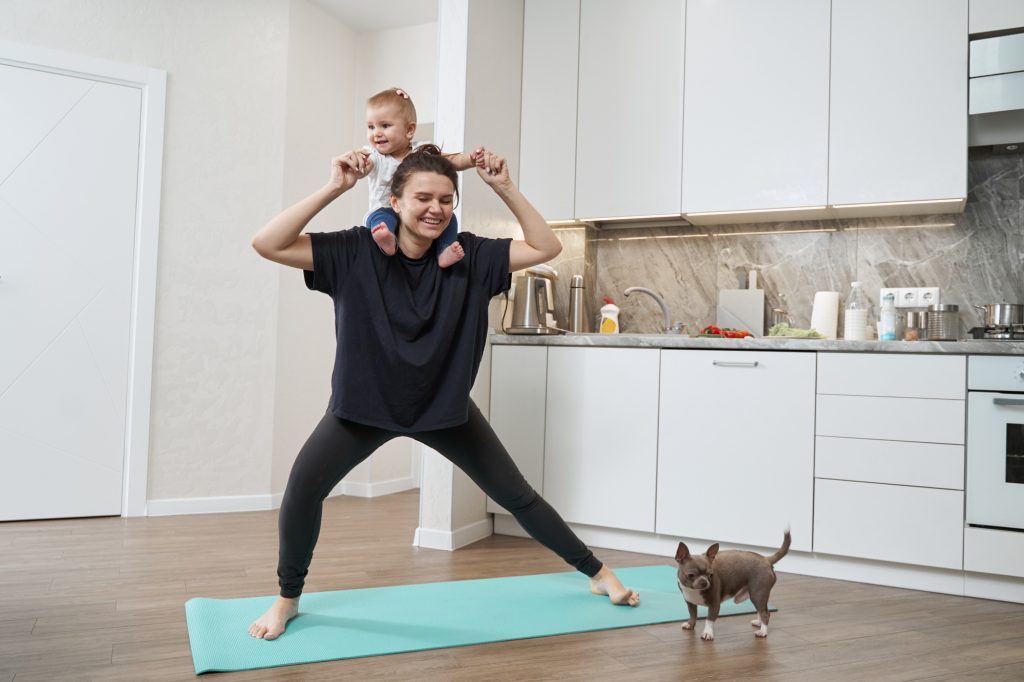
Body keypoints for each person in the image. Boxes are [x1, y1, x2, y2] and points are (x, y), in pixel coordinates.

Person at [247, 145, 640, 641]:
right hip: (361, 410)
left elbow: (545, 247)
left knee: (517, 495)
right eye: (423, 198)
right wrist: (335, 187)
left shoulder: (472, 255)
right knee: (303, 490)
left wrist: (504, 187)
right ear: (394, 199)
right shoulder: (354, 250)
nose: (436, 208)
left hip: (444, 409)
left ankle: (599, 576)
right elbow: (267, 243)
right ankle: (287, 599)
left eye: (447, 200)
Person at [359, 87, 476, 268]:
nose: (376, 133)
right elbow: (366, 165)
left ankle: (444, 250)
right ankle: (387, 240)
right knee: (382, 220)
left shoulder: (421, 151)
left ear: (410, 129)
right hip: (384, 209)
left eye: (385, 125)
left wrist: (471, 160)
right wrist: (358, 165)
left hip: (413, 215)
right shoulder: (375, 156)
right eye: (371, 127)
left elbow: (451, 160)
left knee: (450, 219)